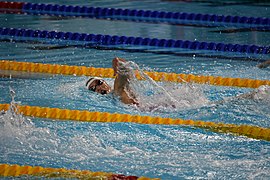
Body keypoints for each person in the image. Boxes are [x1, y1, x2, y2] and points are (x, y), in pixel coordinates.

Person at [86, 57, 270, 107]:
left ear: (105, 82)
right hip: (158, 107)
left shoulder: (117, 92)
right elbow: (124, 70)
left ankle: (255, 95)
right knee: (215, 104)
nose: (98, 87)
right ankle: (254, 95)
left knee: (215, 104)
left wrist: (117, 70)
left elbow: (125, 70)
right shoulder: (116, 93)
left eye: (98, 82)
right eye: (94, 88)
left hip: (159, 106)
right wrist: (117, 70)